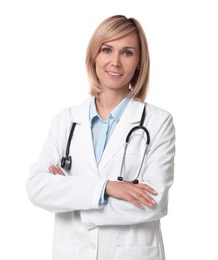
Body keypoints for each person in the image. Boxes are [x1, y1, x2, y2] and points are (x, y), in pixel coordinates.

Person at [26, 14, 176, 260]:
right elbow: (36, 188)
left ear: (139, 62)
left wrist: (72, 197)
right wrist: (108, 188)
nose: (115, 62)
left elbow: (154, 201)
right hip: (73, 252)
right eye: (107, 50)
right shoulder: (65, 121)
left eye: (127, 52)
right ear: (94, 55)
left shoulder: (158, 122)